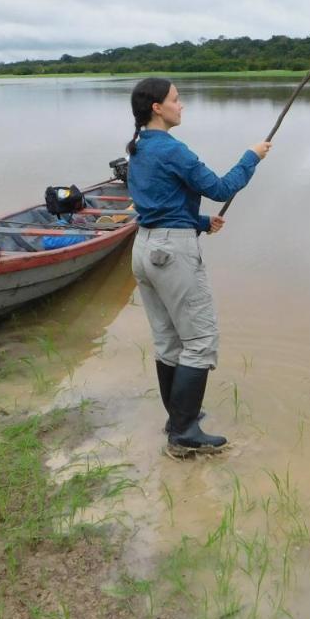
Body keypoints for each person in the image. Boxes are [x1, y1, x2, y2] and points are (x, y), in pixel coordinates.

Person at [125, 77, 271, 456]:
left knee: (169, 341)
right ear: (157, 107)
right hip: (172, 254)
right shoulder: (173, 150)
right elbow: (221, 189)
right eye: (176, 99)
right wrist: (251, 157)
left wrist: (201, 223)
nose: (182, 105)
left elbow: (159, 200)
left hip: (144, 248)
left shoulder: (138, 147)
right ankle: (185, 432)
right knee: (201, 342)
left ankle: (177, 419)